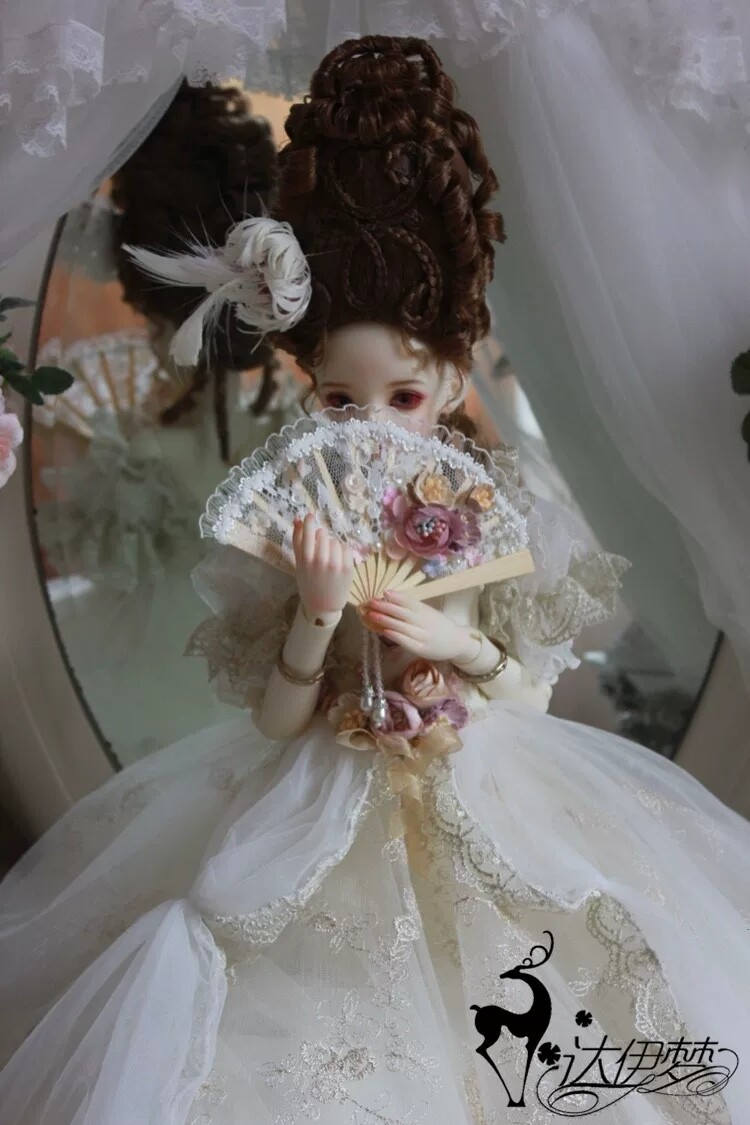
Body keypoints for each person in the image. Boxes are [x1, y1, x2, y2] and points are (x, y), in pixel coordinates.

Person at [1, 35, 749, 1125]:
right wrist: (315, 616)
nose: (373, 430)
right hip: (319, 794)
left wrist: (457, 646)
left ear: (448, 377)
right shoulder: (303, 520)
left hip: (481, 777)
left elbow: (523, 686)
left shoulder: (484, 511)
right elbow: (276, 719)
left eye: (401, 398)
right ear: (313, 391)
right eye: (341, 403)